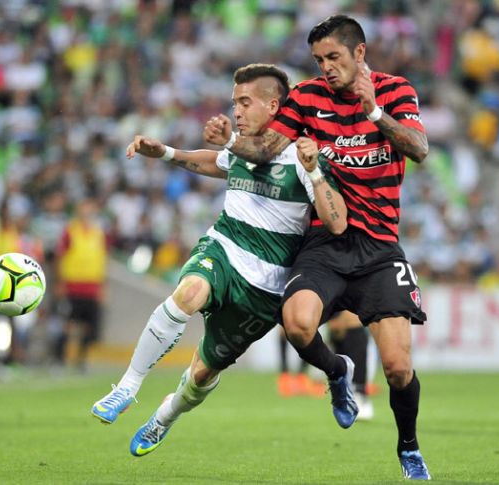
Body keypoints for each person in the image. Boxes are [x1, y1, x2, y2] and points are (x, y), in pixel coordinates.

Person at [204, 15, 431, 480]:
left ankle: (408, 446)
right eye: (319, 60)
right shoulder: (307, 97)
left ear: (359, 54)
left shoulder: (396, 91)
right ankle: (336, 373)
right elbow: (266, 148)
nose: (326, 67)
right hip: (325, 241)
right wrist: (231, 139)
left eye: (334, 57)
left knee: (398, 369)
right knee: (297, 323)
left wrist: (373, 113)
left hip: (379, 248)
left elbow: (419, 148)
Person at [90, 64, 349, 457]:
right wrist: (165, 152)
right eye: (235, 103)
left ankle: (164, 417)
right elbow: (213, 162)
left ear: (273, 105)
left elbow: (335, 221)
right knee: (189, 292)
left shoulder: (302, 154)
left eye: (245, 103)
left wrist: (314, 173)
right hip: (225, 246)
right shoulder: (240, 147)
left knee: (201, 374)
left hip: (266, 285)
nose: (237, 112)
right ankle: (126, 387)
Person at [55, 198, 107, 370]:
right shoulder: (70, 231)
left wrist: (102, 286)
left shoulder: (97, 232)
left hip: (91, 287)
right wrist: (60, 282)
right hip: (73, 285)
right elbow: (60, 257)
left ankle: (81, 360)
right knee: (68, 325)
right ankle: (60, 360)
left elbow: (101, 260)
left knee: (88, 326)